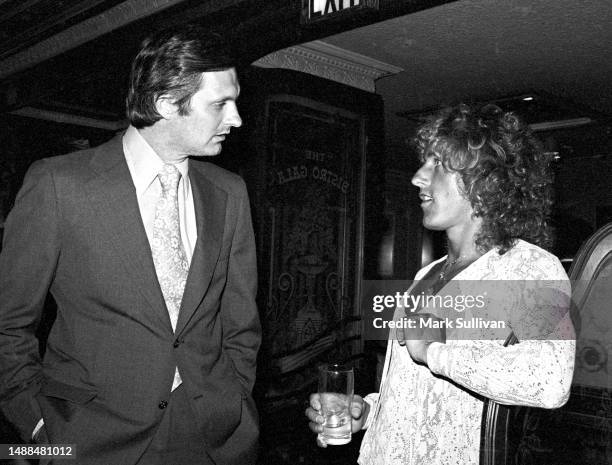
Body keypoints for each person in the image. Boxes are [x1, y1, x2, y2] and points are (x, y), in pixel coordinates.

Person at [0, 25, 260, 465]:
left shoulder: (229, 191)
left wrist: (233, 399)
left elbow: (240, 322)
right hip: (85, 437)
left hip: (212, 436)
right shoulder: (59, 183)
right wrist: (38, 428)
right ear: (164, 104)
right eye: (220, 104)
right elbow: (7, 323)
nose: (236, 118)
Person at [306, 103, 575, 464]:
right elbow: (416, 393)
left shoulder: (531, 267)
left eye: (437, 164)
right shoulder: (425, 276)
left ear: (485, 180)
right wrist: (365, 412)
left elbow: (550, 381)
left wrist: (436, 352)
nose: (418, 176)